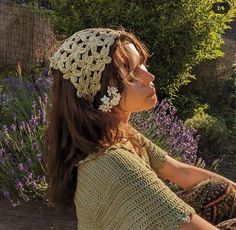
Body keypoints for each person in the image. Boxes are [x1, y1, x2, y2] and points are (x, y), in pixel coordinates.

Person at [45, 28, 236, 229]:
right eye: (131, 71)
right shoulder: (114, 164)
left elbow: (182, 172)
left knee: (220, 190)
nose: (149, 76)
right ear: (98, 89)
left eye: (142, 64)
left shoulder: (118, 134)